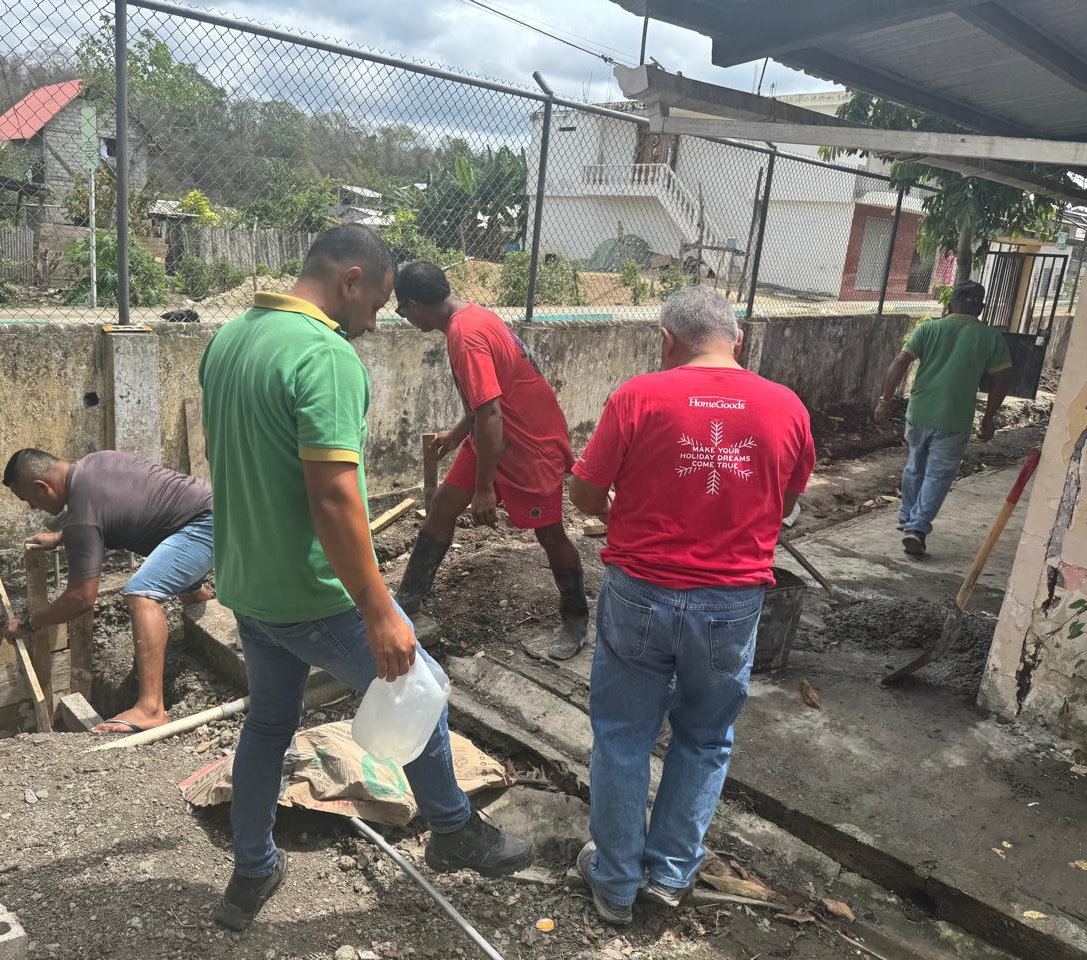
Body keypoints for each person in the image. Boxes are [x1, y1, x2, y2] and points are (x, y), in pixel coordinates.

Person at [199, 225, 533, 932]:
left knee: (268, 725)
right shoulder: (324, 355)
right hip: (314, 594)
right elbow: (333, 498)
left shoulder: (230, 339)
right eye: (378, 304)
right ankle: (453, 829)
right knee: (422, 689)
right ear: (350, 280)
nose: (378, 322)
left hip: (249, 584)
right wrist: (381, 611)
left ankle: (253, 869)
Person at [569, 286, 814, 925]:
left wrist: (623, 511)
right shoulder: (787, 406)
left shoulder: (638, 397)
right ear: (739, 340)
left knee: (623, 736)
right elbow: (786, 501)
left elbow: (585, 494)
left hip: (639, 593)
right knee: (705, 738)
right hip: (732, 603)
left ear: (666, 341)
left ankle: (615, 882)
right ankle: (671, 874)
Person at [392, 261, 587, 659]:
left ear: (413, 306)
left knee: (549, 534)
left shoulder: (465, 336)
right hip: (491, 435)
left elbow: (491, 411)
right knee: (443, 507)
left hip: (528, 444)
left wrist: (484, 489)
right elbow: (487, 401)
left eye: (401, 311)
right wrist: (458, 434)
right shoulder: (474, 316)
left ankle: (575, 617)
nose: (405, 319)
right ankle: (407, 602)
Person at [2, 449, 214, 734]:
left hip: (205, 527)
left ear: (42, 487)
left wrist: (29, 624)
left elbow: (81, 598)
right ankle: (199, 601)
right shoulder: (97, 461)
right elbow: (116, 508)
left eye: (28, 499)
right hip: (213, 508)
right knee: (168, 573)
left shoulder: (82, 518)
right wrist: (63, 536)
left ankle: (151, 709)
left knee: (141, 593)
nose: (32, 507)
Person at [875, 279, 1011, 556]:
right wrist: (989, 417)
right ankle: (917, 527)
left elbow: (900, 361)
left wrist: (884, 401)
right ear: (981, 308)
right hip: (955, 419)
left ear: (950, 304)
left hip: (919, 412)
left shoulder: (929, 328)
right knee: (938, 475)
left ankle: (907, 516)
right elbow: (1003, 379)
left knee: (915, 465)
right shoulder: (990, 337)